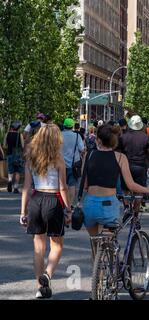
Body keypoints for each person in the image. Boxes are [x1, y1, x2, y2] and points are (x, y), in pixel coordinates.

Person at [20, 124, 72, 299]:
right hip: (53, 200)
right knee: (57, 244)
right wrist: (68, 209)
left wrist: (23, 212)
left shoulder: (30, 158)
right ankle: (47, 275)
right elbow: (63, 188)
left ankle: (39, 288)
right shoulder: (58, 159)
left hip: (35, 200)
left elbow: (26, 187)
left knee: (38, 247)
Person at [81, 125, 149, 249]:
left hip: (90, 203)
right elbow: (131, 185)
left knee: (95, 242)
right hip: (108, 203)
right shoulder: (120, 157)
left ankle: (98, 266)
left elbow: (85, 185)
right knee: (109, 238)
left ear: (98, 140)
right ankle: (111, 260)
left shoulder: (89, 155)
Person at [118, 116, 149, 210]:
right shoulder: (146, 138)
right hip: (141, 166)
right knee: (139, 192)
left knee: (125, 190)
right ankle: (135, 214)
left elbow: (118, 153)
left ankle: (126, 207)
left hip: (126, 166)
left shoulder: (122, 137)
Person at [61, 118, 85, 205]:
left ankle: (63, 203)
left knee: (62, 185)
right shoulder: (77, 136)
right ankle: (70, 205)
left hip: (60, 164)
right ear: (72, 126)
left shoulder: (59, 135)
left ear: (64, 125)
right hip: (73, 165)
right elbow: (82, 149)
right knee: (72, 185)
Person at [4, 122, 25, 193]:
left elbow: (4, 146)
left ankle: (10, 181)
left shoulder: (7, 134)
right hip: (17, 155)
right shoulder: (20, 135)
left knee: (10, 170)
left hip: (9, 154)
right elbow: (22, 146)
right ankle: (15, 187)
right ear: (18, 128)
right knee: (17, 171)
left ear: (11, 127)